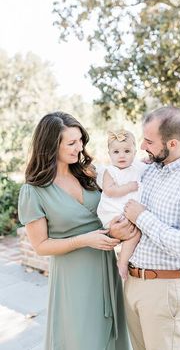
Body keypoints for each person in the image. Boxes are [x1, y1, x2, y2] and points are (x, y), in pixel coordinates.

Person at [18, 112, 131, 350]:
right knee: (81, 339)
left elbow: (109, 212)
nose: (79, 147)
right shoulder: (34, 191)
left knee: (110, 338)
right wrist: (83, 240)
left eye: (80, 140)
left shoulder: (88, 173)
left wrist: (114, 232)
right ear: (50, 146)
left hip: (105, 266)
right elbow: (40, 246)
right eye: (71, 143)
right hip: (73, 275)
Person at [110, 107, 180, 350]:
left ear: (172, 143)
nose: (141, 146)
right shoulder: (149, 170)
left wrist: (142, 217)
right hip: (132, 282)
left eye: (149, 141)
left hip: (166, 290)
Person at [97, 130, 146, 280]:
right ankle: (123, 262)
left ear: (134, 152)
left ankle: (122, 261)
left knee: (135, 233)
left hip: (129, 211)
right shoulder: (109, 171)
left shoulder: (137, 168)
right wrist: (128, 187)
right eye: (116, 152)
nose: (122, 155)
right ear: (110, 154)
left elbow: (147, 164)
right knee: (131, 230)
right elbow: (109, 190)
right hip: (113, 211)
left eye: (127, 151)